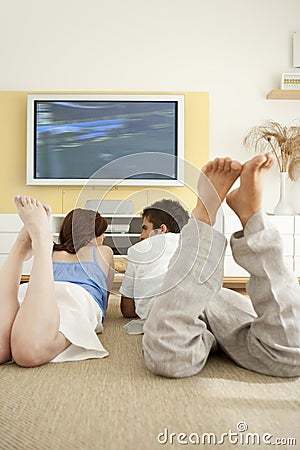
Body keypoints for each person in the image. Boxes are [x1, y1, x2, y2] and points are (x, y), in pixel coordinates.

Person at [142, 154, 300, 378]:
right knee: (169, 358)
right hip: (171, 300)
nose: (141, 236)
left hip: (200, 298)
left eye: (144, 228)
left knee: (293, 353)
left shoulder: (144, 251)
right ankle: (251, 218)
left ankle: (205, 216)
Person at [0, 196, 114, 367]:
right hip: (76, 297)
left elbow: (39, 280)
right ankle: (42, 242)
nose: (104, 236)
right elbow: (104, 296)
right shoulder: (103, 251)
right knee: (28, 351)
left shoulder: (54, 255)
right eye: (102, 232)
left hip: (34, 293)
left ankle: (20, 247)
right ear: (92, 236)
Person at [119, 199, 189, 333]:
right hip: (198, 305)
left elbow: (127, 310)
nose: (141, 236)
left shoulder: (137, 250)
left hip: (159, 314)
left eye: (145, 228)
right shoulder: (194, 244)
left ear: (162, 229)